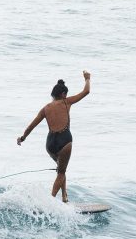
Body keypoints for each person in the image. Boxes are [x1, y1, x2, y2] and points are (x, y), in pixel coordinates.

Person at [17, 70, 91, 202]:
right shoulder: (66, 102)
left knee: (61, 170)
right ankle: (50, 203)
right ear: (63, 94)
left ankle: (64, 198)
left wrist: (22, 138)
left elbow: (31, 126)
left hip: (50, 144)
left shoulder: (45, 108)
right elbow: (86, 92)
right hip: (64, 141)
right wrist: (87, 79)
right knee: (61, 171)